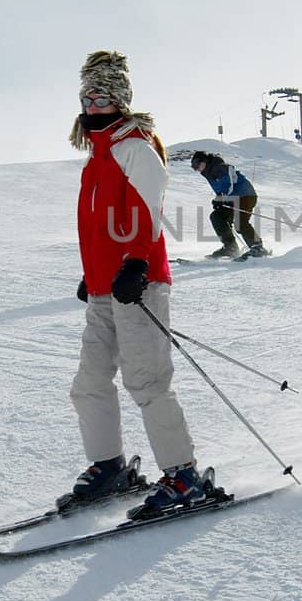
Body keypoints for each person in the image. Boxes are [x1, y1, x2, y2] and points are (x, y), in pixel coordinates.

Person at [64, 50, 215, 519]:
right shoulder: (99, 155)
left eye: (103, 96)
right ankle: (110, 467)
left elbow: (147, 213)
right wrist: (93, 276)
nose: (93, 105)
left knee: (146, 380)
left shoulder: (135, 146)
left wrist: (134, 264)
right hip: (107, 287)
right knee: (89, 382)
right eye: (87, 96)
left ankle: (185, 475)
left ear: (121, 99)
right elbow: (99, 225)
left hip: (139, 282)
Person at [189, 150, 268, 258]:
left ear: (204, 161)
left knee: (240, 223)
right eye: (193, 167)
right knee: (217, 217)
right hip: (232, 199)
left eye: (197, 164)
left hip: (245, 196)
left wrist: (220, 199)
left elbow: (229, 187)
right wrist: (219, 200)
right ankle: (230, 248)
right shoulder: (208, 172)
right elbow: (222, 190)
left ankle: (257, 247)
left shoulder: (219, 167)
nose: (196, 168)